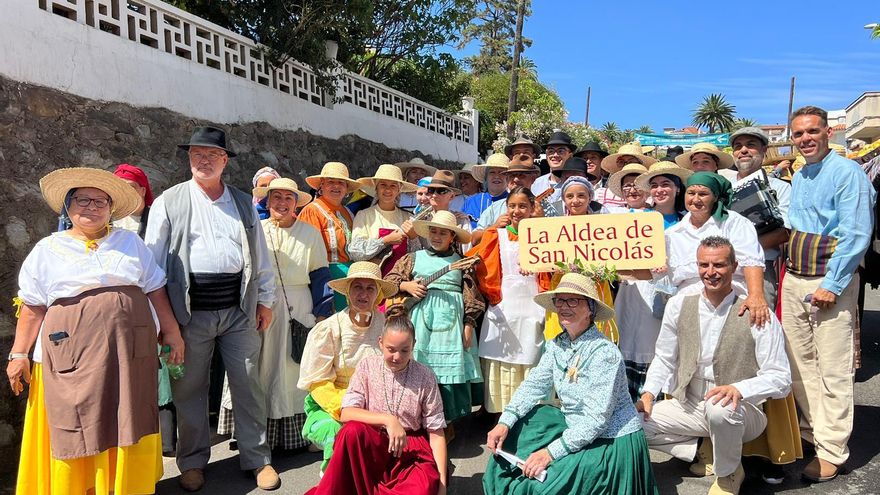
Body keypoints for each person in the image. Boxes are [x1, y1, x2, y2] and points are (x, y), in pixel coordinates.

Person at [10, 167, 185, 495]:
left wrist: (172, 332)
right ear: (68, 206)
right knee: (75, 418)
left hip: (127, 352)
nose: (92, 207)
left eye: (100, 201)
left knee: (127, 414)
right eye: (83, 200)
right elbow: (32, 306)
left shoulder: (130, 242)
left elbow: (155, 288)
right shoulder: (48, 249)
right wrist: (19, 353)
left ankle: (121, 487)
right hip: (69, 354)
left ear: (111, 208)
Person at [144, 126, 279, 491]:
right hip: (189, 314)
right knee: (189, 389)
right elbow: (152, 267)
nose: (203, 161)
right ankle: (191, 462)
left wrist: (265, 300)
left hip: (239, 310)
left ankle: (258, 458)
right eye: (197, 155)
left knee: (248, 383)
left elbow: (260, 256)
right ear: (189, 159)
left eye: (211, 155)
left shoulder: (242, 202)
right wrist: (165, 323)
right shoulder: (168, 202)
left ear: (224, 161)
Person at [639, 237, 792, 495]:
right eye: (704, 265)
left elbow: (781, 377)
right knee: (632, 424)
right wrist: (648, 394)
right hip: (689, 403)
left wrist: (739, 389)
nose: (710, 272)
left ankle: (729, 473)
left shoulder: (755, 311)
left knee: (719, 408)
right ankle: (702, 449)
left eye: (719, 265)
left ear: (734, 266)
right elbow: (664, 357)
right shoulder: (679, 305)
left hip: (742, 410)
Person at [483, 273, 658, 495]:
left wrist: (549, 453)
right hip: (576, 426)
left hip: (610, 438)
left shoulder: (604, 354)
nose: (564, 307)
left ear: (590, 309)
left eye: (573, 300)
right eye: (560, 300)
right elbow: (534, 385)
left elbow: (596, 420)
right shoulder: (558, 343)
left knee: (541, 486)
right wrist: (504, 422)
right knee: (513, 441)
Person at [782, 106, 875, 481]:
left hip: (827, 281)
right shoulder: (801, 175)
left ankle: (833, 450)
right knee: (799, 365)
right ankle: (813, 433)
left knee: (833, 368)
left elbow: (856, 234)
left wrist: (832, 284)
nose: (805, 139)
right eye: (798, 133)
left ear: (828, 132)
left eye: (812, 131)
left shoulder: (848, 173)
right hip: (795, 277)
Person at [216, 178, 329, 451]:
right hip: (257, 304)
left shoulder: (310, 234)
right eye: (276, 197)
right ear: (267, 201)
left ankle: (294, 435)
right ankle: (250, 432)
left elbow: (320, 275)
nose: (282, 203)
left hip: (296, 307)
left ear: (295, 203)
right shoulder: (256, 229)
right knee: (253, 366)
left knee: (289, 369)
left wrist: (322, 314)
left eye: (288, 198)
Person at [305, 307, 448, 495]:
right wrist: (388, 420)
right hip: (374, 446)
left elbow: (436, 431)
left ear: (414, 344)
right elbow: (347, 412)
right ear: (381, 343)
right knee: (351, 431)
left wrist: (442, 485)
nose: (397, 357)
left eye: (405, 350)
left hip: (409, 450)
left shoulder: (425, 376)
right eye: (391, 349)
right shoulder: (367, 366)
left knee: (422, 488)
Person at [386, 210, 485, 430]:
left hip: (452, 325)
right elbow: (389, 281)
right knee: (422, 366)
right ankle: (417, 419)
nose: (437, 237)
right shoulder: (413, 258)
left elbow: (471, 295)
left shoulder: (461, 263)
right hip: (420, 322)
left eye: (443, 233)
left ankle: (446, 424)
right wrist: (406, 285)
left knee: (447, 372)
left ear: (452, 237)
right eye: (434, 231)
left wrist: (469, 324)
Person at [297, 261, 395, 474]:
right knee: (339, 435)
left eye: (370, 288)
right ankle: (334, 480)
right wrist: (350, 409)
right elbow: (318, 382)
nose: (363, 294)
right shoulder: (329, 329)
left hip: (377, 404)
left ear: (378, 293)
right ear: (348, 292)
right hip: (331, 407)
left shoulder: (387, 326)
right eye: (357, 287)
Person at [467, 187, 545, 413]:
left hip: (533, 304)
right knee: (502, 358)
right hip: (505, 304)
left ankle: (531, 412)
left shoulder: (542, 235)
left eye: (522, 206)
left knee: (531, 356)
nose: (517, 211)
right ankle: (499, 414)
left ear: (532, 208)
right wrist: (495, 297)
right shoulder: (496, 235)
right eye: (512, 206)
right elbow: (481, 266)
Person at [662, 172, 770, 327]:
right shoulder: (672, 233)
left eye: (703, 194)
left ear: (715, 197)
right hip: (687, 302)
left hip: (729, 298)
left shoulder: (734, 223)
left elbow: (751, 262)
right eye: (691, 193)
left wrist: (756, 296)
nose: (696, 199)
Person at [722, 126, 792, 310]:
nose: (743, 150)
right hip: (720, 270)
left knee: (759, 322)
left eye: (751, 144)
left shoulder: (781, 188)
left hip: (761, 270)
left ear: (764, 150)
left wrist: (735, 252)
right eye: (738, 146)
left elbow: (784, 233)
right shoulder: (722, 187)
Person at [539, 176, 616, 343]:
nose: (575, 201)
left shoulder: (604, 225)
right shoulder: (553, 226)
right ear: (563, 199)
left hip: (595, 285)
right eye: (570, 196)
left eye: (581, 195)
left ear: (590, 197)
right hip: (563, 283)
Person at [298, 161, 361, 312]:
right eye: (331, 182)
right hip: (326, 278)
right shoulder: (312, 210)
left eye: (341, 183)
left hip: (350, 278)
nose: (336, 186)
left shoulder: (347, 212)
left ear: (346, 188)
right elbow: (308, 251)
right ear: (322, 185)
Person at [349, 164, 418, 273]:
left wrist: (413, 238)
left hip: (400, 279)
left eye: (393, 186)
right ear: (376, 187)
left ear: (399, 189)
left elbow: (416, 257)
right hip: (372, 278)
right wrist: (385, 241)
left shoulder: (408, 218)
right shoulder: (363, 215)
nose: (388, 190)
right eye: (383, 185)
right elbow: (355, 253)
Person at [473, 157, 541, 244]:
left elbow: (556, 240)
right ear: (507, 179)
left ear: (533, 178)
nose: (516, 179)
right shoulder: (495, 207)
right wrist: (495, 226)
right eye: (512, 175)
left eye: (521, 175)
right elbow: (474, 240)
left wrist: (542, 222)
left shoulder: (544, 207)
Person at [419, 170, 474, 251]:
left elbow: (467, 251)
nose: (434, 195)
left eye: (441, 191)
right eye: (431, 190)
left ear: (452, 196)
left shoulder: (460, 221)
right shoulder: (421, 220)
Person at [634, 161, 692, 228]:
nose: (659, 190)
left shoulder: (688, 220)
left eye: (665, 184)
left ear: (678, 188)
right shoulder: (638, 218)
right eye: (654, 185)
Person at [599, 142, 657, 208]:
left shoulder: (653, 194)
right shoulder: (603, 193)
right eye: (621, 162)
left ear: (640, 164)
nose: (626, 165)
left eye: (631, 162)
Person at [462, 153, 510, 228]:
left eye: (501, 173)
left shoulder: (513, 202)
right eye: (492, 172)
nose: (496, 176)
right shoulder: (471, 201)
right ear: (486, 177)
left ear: (508, 178)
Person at [529, 131, 577, 203]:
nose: (555, 155)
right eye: (551, 151)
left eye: (560, 151)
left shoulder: (576, 183)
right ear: (546, 155)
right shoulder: (537, 183)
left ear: (570, 156)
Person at [112, 163, 155, 236]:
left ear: (143, 191)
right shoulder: (107, 218)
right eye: (121, 187)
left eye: (131, 187)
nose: (126, 192)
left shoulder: (156, 218)